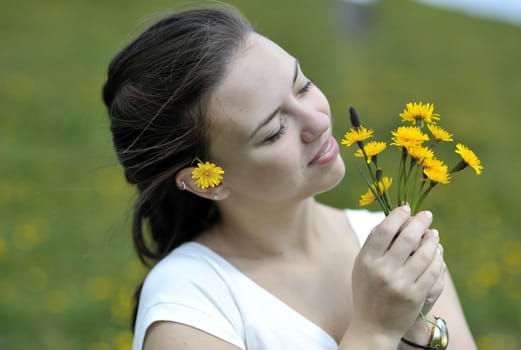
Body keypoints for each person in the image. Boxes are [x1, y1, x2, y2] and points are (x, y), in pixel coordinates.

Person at [102, 4, 477, 350]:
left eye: (304, 86)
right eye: (274, 131)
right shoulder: (190, 302)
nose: (318, 121)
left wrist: (413, 327)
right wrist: (374, 331)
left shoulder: (386, 240)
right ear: (208, 181)